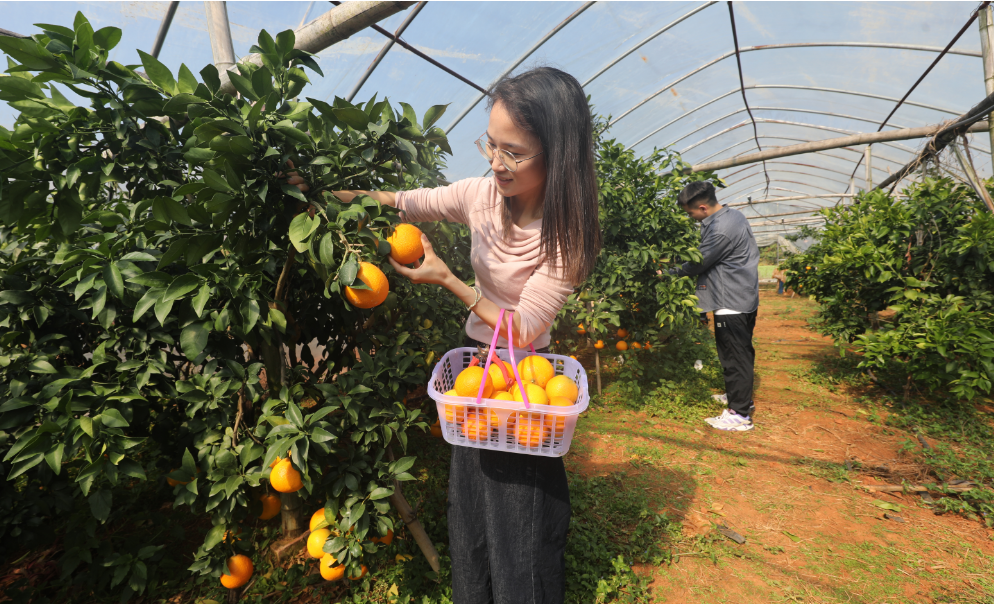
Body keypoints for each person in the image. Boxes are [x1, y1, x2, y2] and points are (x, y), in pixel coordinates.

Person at [286, 67, 601, 603]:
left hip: (526, 375)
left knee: (520, 510)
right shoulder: (480, 195)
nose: (496, 162)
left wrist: (448, 280)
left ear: (557, 153)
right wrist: (320, 193)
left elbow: (525, 329)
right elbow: (401, 201)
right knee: (474, 503)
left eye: (514, 153)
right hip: (478, 366)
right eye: (491, 145)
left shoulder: (568, 233)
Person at [668, 181, 759, 432]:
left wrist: (668, 273)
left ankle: (739, 415)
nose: (692, 218)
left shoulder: (720, 229)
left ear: (702, 207)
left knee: (734, 356)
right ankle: (740, 398)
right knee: (740, 352)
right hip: (742, 295)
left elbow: (698, 263)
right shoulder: (734, 215)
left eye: (691, 213)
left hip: (729, 299)